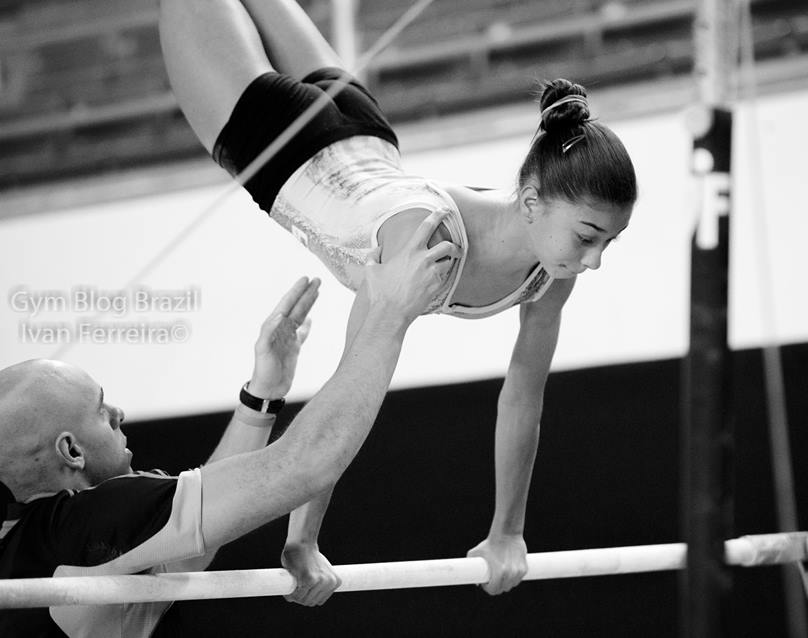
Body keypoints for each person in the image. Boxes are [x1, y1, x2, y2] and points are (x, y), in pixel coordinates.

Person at [158, 0, 638, 599]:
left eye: (608, 242)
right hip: (276, 141)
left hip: (363, 128)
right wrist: (301, 541)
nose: (593, 260)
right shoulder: (426, 244)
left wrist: (507, 532)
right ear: (534, 201)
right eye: (588, 237)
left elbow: (523, 396)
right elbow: (349, 386)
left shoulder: (551, 269)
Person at [0, 213, 459, 637]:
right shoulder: (84, 523)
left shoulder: (53, 542)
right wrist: (391, 313)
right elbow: (301, 467)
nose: (118, 413)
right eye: (101, 409)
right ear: (71, 451)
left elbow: (195, 542)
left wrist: (261, 395)